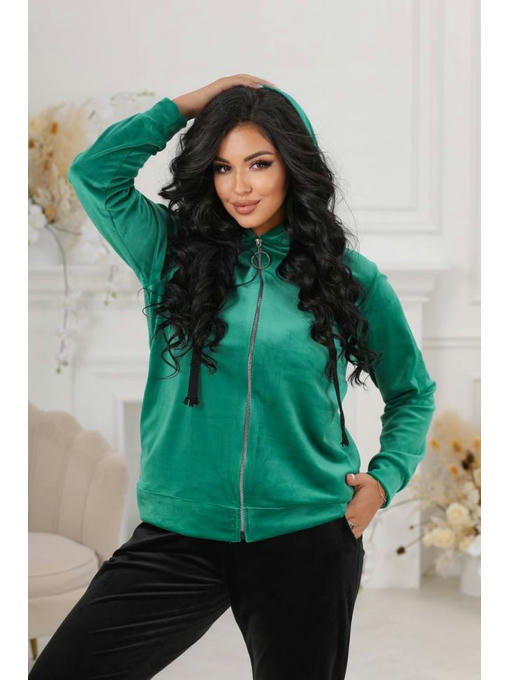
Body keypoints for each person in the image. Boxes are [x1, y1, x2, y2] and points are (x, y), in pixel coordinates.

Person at [29, 74, 437, 679]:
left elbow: (412, 392)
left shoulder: (347, 277)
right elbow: (94, 174)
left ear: (293, 165)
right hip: (180, 533)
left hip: (305, 534)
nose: (239, 187)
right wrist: (188, 105)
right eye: (222, 167)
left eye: (259, 164)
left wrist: (383, 480)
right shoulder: (169, 254)